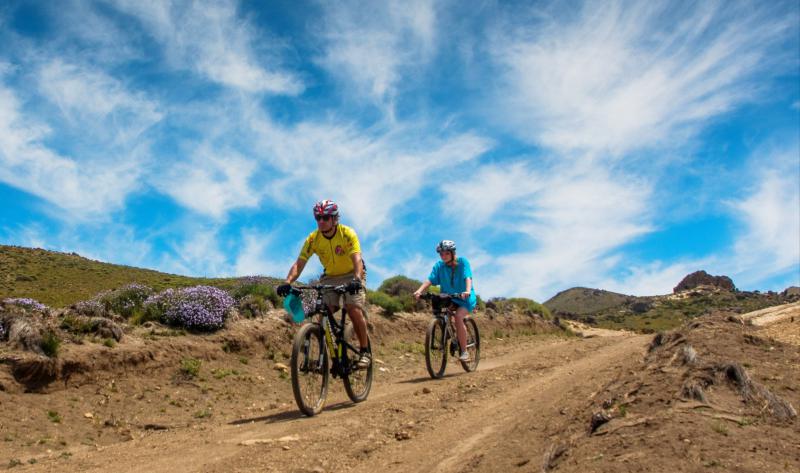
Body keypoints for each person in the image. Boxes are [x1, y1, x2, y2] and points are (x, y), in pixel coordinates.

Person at [277, 199, 371, 369]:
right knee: (323, 315)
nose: (321, 221)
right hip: (330, 277)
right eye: (318, 217)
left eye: (325, 217)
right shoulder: (313, 239)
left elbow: (357, 258)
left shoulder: (347, 233)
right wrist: (287, 282)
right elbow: (299, 263)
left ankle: (365, 352)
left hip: (353, 274)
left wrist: (357, 279)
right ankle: (325, 356)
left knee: (353, 308)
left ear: (335, 219)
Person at [413, 240, 477, 362]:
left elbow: (468, 277)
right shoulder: (439, 266)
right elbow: (430, 280)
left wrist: (467, 291)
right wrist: (419, 291)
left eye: (446, 253)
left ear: (452, 253)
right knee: (442, 313)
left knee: (458, 317)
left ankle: (464, 352)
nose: (443, 256)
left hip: (464, 298)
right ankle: (450, 335)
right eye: (441, 254)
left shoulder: (462, 262)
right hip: (449, 297)